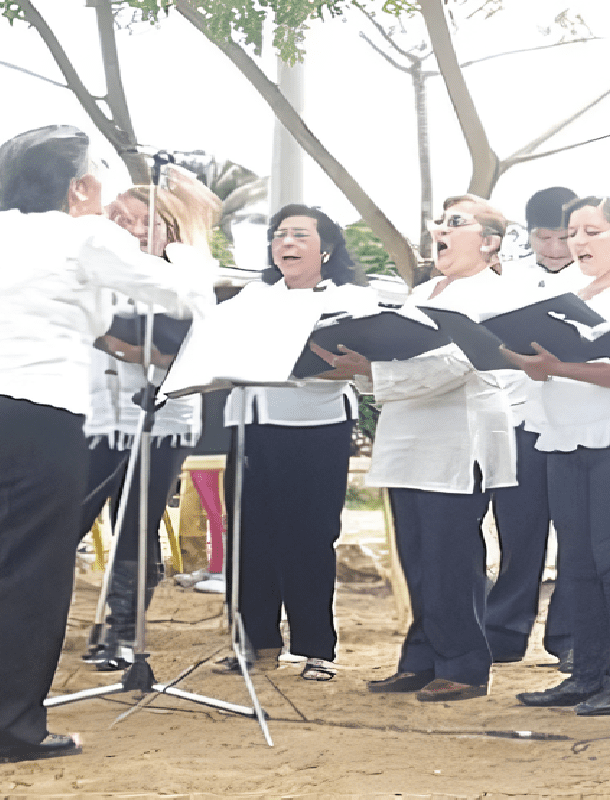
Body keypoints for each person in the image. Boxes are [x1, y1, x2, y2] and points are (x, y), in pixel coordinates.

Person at [0, 124, 212, 763]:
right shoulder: (81, 233)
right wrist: (195, 230)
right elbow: (186, 293)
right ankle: (15, 728)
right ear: (80, 186)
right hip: (40, 413)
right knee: (31, 569)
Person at [346, 195, 522, 701]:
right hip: (407, 433)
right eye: (439, 223)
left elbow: (454, 366)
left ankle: (465, 665)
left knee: (451, 554)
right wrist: (362, 364)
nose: (439, 231)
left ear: (488, 242)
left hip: (456, 434)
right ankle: (421, 657)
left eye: (455, 223)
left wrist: (372, 372)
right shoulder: (421, 291)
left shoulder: (495, 294)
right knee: (416, 553)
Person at [508, 196, 610, 715]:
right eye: (573, 232)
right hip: (562, 432)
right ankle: (586, 673)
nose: (578, 242)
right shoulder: (561, 292)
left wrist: (557, 367)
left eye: (592, 231)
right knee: (574, 560)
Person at [217, 204, 372, 682]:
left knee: (308, 538)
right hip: (250, 423)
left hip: (314, 425)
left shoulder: (350, 299)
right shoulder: (251, 296)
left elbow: (363, 361)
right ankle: (255, 641)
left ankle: (316, 648)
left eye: (300, 235)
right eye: (280, 234)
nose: (286, 243)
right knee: (248, 537)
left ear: (326, 248)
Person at [79, 175, 222, 671]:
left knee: (135, 523)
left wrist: (112, 341)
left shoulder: (185, 279)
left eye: (146, 221)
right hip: (92, 416)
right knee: (67, 518)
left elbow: (183, 350)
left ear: (171, 231)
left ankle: (121, 632)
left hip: (161, 418)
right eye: (120, 218)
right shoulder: (89, 268)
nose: (132, 229)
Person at [485, 186, 579, 666]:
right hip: (518, 416)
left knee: (575, 535)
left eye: (564, 237)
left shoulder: (593, 276)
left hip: (576, 418)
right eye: (545, 238)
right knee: (518, 531)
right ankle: (504, 630)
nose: (556, 249)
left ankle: (568, 636)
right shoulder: (506, 278)